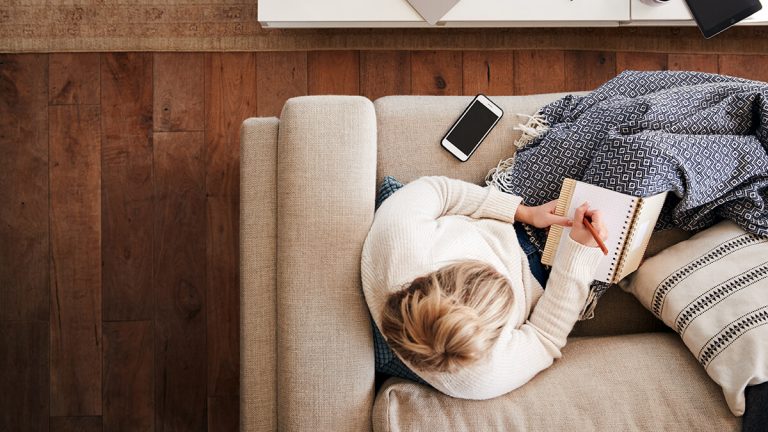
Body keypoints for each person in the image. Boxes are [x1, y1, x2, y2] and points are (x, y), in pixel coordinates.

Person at [361, 176, 608, 400]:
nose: (498, 271)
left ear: (438, 273)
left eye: (482, 269)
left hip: (510, 213)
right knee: (640, 158)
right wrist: (580, 251)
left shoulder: (398, 239)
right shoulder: (483, 377)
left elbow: (440, 191)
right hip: (552, 275)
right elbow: (544, 338)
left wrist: (523, 212)